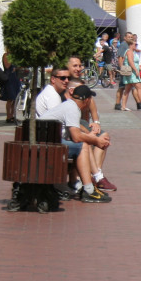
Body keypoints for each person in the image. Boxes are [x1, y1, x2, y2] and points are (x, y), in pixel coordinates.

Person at [39, 84, 112, 203]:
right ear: (87, 100)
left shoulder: (69, 105)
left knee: (84, 144)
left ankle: (90, 185)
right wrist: (96, 140)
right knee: (82, 146)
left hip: (45, 139)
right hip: (47, 143)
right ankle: (89, 189)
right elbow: (76, 137)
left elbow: (76, 133)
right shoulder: (72, 108)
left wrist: (90, 137)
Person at [67, 56, 116, 191]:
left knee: (104, 135)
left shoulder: (81, 85)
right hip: (72, 127)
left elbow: (92, 105)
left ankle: (95, 175)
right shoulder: (68, 86)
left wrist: (96, 123)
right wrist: (91, 134)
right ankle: (93, 176)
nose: (78, 68)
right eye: (75, 66)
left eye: (80, 66)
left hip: (81, 124)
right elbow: (72, 122)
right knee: (91, 141)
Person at [0, 51, 21, 123]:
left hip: (15, 78)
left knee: (15, 98)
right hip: (9, 78)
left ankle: (13, 115)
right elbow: (7, 66)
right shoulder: (6, 55)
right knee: (10, 98)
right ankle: (8, 116)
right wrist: (13, 58)